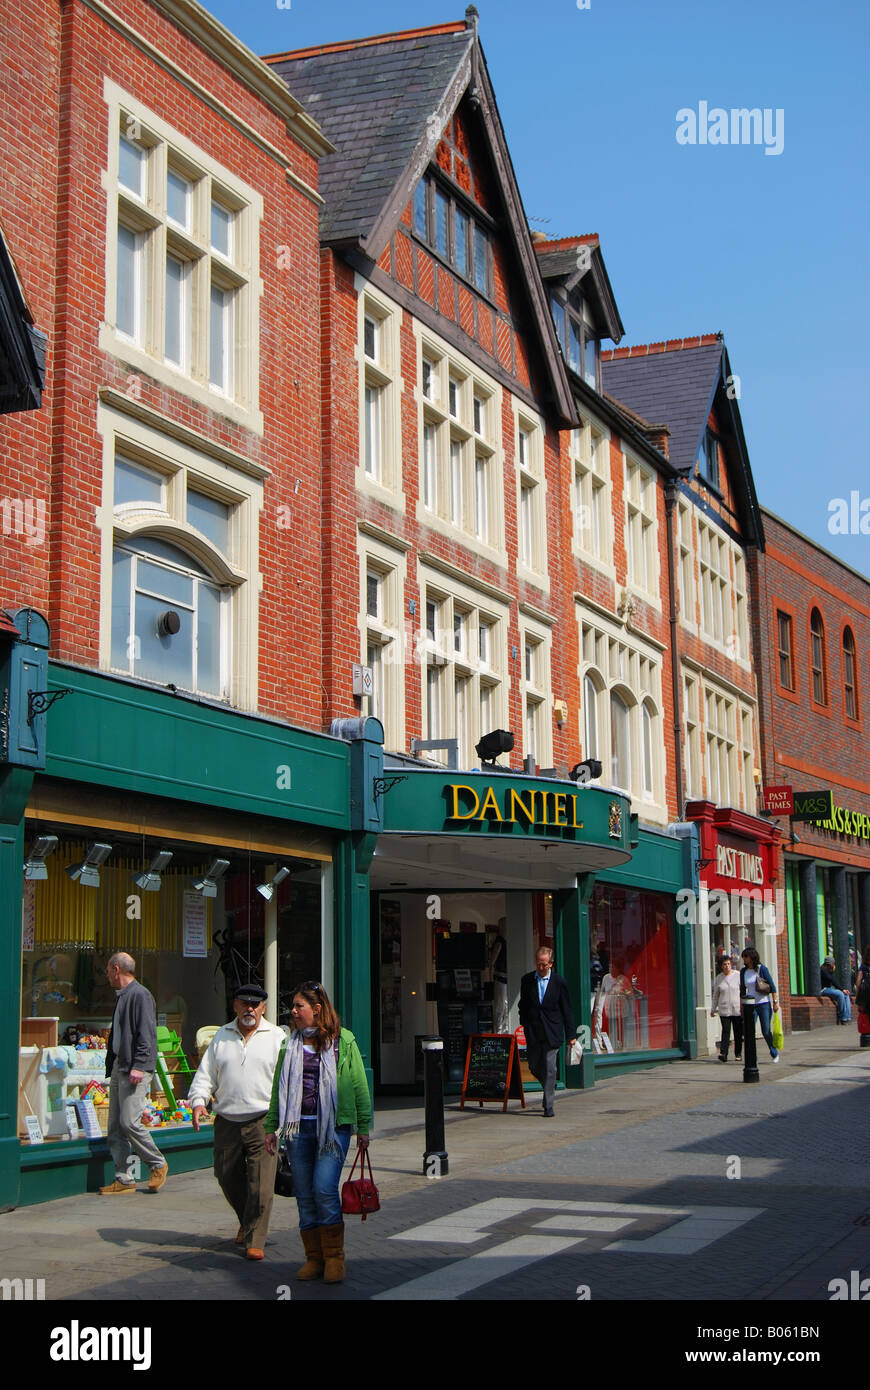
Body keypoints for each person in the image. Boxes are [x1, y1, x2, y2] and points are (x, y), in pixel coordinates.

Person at [264, 981, 371, 1284]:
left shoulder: (343, 1041)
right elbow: (278, 1090)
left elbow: (359, 1086)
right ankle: (315, 1258)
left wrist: (364, 1127)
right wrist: (271, 1127)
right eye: (294, 1007)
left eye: (299, 1006)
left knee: (323, 1188)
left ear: (317, 1009)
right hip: (298, 1128)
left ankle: (335, 1256)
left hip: (332, 1128)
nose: (294, 1012)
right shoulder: (290, 1043)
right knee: (305, 1195)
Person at [187, 984, 285, 1261]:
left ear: (264, 1008)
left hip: (263, 1120)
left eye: (255, 1005)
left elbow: (286, 1081)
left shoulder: (277, 1037)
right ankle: (246, 1219)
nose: (250, 1009)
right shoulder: (222, 1036)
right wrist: (198, 1101)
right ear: (235, 1006)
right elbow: (206, 1075)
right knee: (226, 1175)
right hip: (227, 1119)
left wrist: (285, 1118)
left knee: (261, 1183)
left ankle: (255, 1238)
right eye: (244, 1004)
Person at [100, 951, 168, 1195]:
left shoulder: (140, 995)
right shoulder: (123, 996)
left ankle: (157, 1163)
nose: (106, 975)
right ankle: (123, 1178)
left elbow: (147, 1033)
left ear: (116, 970)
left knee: (129, 1121)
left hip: (134, 1068)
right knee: (116, 1125)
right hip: (121, 1064)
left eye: (108, 970)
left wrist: (139, 1065)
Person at [518, 947, 575, 1116]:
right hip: (534, 1031)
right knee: (534, 1066)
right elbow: (523, 1005)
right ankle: (548, 1088)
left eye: (544, 964)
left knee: (550, 1068)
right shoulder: (527, 980)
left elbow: (567, 1010)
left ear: (551, 964)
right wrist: (524, 1023)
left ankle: (549, 1106)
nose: (540, 967)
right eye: (538, 964)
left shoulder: (559, 983)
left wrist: (571, 1035)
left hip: (553, 1031)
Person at [740, 946, 779, 1062]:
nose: (744, 959)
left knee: (766, 1030)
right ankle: (753, 1057)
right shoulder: (743, 972)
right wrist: (742, 1006)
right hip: (750, 1004)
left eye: (745, 957)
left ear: (752, 957)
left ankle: (774, 1051)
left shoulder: (762, 969)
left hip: (764, 1004)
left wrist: (775, 1002)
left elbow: (772, 986)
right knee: (750, 1031)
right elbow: (742, 989)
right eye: (743, 957)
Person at [710, 956, 743, 1062]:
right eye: (724, 964)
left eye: (728, 964)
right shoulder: (719, 978)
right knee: (725, 1031)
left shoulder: (737, 975)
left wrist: (743, 1006)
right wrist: (713, 1009)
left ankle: (738, 1053)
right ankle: (723, 1053)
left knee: (737, 1032)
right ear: (721, 966)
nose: (727, 966)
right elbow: (716, 995)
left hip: (737, 1009)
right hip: (724, 1009)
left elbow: (743, 992)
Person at [820, 956, 852, 1025]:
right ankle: (843, 1018)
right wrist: (842, 989)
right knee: (840, 994)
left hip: (829, 989)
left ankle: (847, 1017)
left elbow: (833, 980)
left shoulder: (828, 970)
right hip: (823, 990)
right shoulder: (823, 970)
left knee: (846, 994)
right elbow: (831, 980)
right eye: (833, 964)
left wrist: (843, 990)